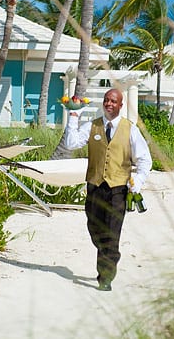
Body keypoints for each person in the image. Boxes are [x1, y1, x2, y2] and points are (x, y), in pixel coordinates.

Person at [64, 88, 152, 292]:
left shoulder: (130, 129)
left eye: (113, 101)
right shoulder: (92, 126)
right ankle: (108, 255)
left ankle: (106, 276)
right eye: (106, 100)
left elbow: (144, 160)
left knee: (112, 234)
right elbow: (71, 143)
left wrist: (137, 181)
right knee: (95, 230)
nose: (109, 104)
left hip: (118, 190)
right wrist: (74, 116)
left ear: (120, 105)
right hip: (94, 187)